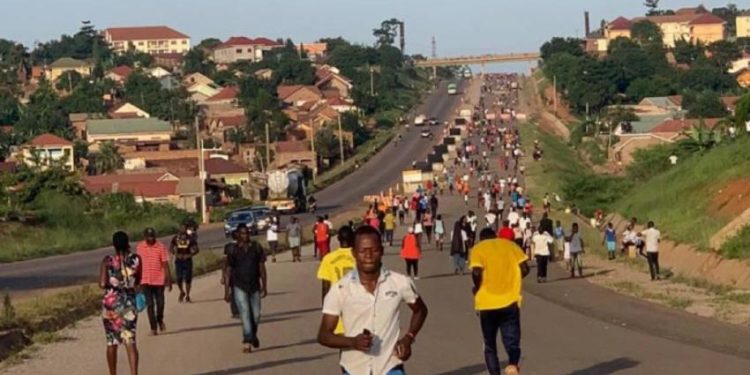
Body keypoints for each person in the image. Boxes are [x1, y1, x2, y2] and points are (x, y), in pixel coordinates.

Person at [317, 226, 429, 375]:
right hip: (354, 368)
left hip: (390, 366)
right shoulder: (340, 289)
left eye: (374, 250)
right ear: (354, 253)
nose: (368, 256)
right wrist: (352, 342)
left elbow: (420, 310)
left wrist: (409, 338)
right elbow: (324, 335)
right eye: (363, 251)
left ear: (381, 251)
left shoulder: (399, 282)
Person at [469, 228, 529, 375]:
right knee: (512, 339)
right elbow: (525, 269)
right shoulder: (510, 246)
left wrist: (477, 288)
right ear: (495, 236)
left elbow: (476, 272)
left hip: (487, 303)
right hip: (510, 301)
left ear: (481, 238)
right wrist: (511, 281)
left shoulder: (478, 249)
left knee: (490, 344)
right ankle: (513, 364)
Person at [100, 231, 142, 375]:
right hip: (128, 304)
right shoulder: (136, 259)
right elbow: (138, 280)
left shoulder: (107, 260)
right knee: (130, 341)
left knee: (112, 342)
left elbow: (102, 283)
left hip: (111, 305)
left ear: (113, 244)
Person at [224, 224, 268, 353]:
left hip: (254, 285)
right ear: (238, 235)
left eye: (247, 233)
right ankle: (247, 341)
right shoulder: (232, 250)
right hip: (239, 285)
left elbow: (262, 267)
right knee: (245, 313)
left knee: (256, 315)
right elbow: (228, 270)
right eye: (242, 233)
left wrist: (264, 286)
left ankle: (253, 334)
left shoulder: (256, 247)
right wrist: (227, 290)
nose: (245, 236)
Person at [317, 225, 356, 335]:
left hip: (337, 303)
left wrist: (325, 308)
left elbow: (325, 286)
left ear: (338, 239)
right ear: (353, 238)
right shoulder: (359, 256)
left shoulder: (328, 259)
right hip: (356, 301)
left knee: (341, 340)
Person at [136, 228, 172, 336]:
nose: (151, 239)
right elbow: (138, 265)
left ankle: (160, 319)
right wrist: (136, 281)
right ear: (145, 237)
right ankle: (153, 327)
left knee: (160, 304)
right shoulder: (140, 247)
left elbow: (165, 264)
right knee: (150, 305)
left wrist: (169, 280)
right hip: (145, 280)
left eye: (152, 236)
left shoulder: (161, 247)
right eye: (149, 237)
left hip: (159, 280)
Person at [170, 225, 199, 303]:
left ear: (186, 229)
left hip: (187, 260)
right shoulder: (175, 238)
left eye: (184, 228)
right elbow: (171, 248)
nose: (182, 229)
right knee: (178, 278)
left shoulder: (190, 239)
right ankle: (182, 291)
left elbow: (196, 249)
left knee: (188, 279)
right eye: (181, 228)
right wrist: (176, 254)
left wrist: (189, 255)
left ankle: (188, 295)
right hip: (179, 260)